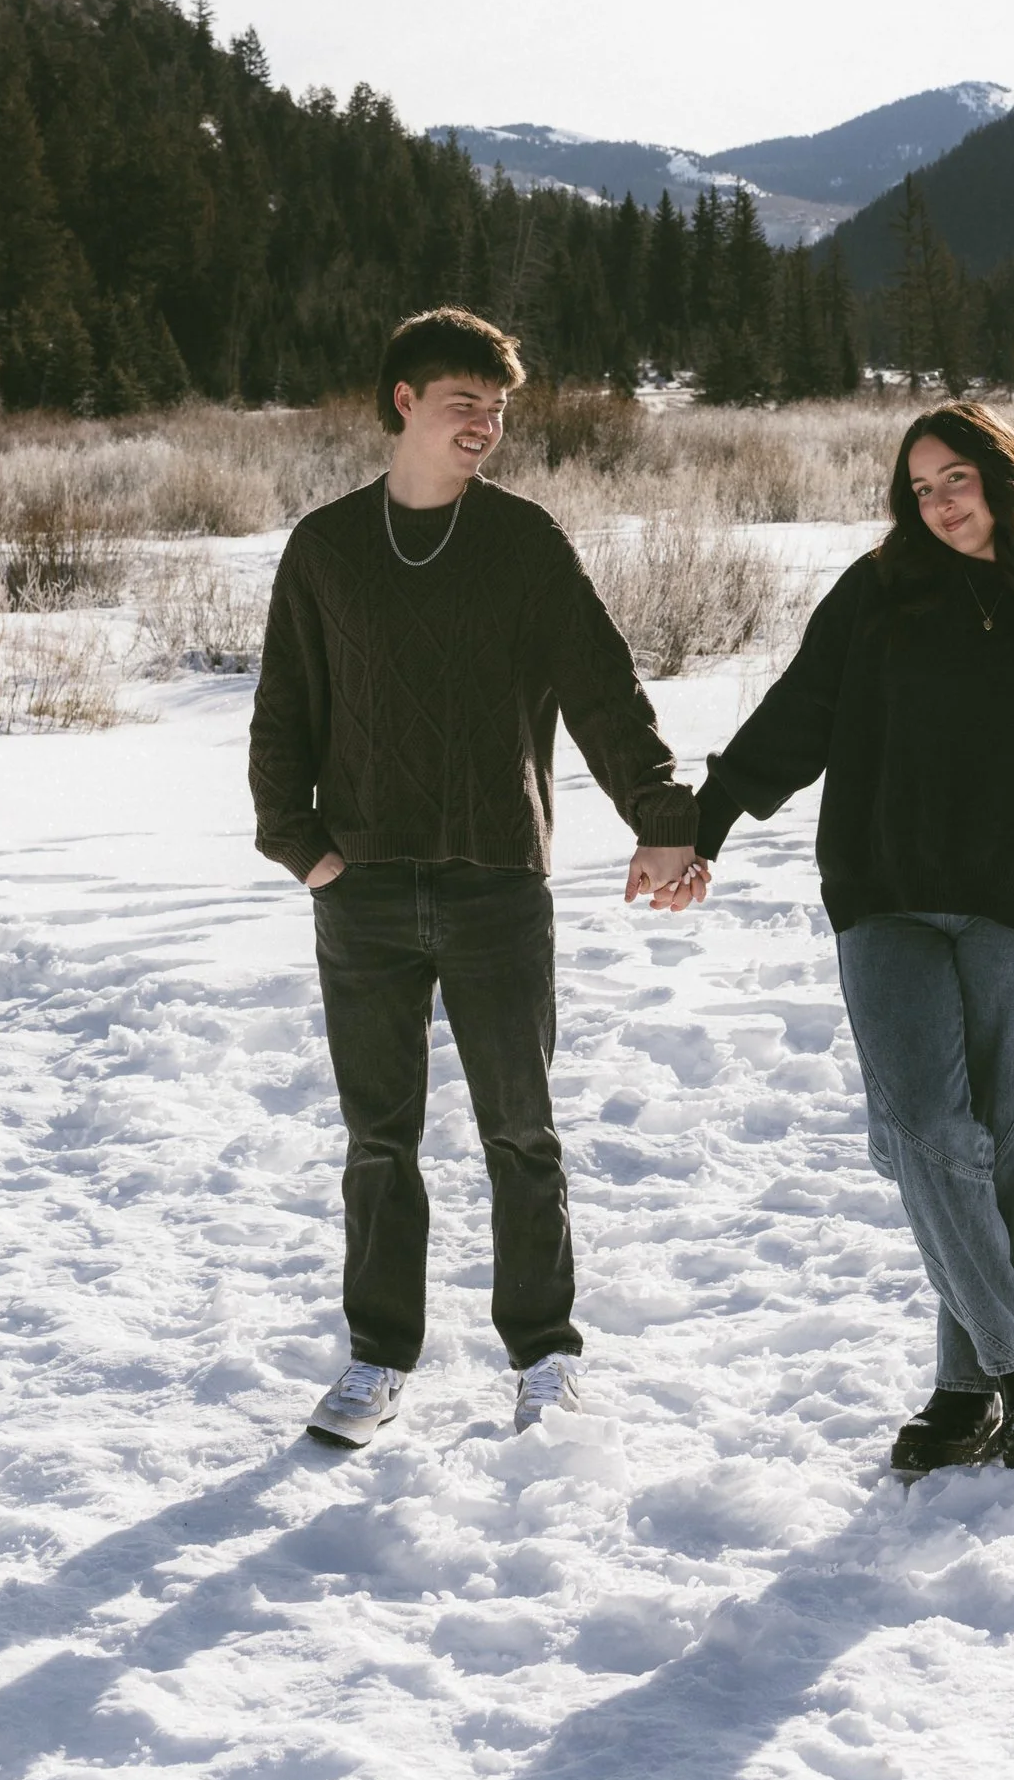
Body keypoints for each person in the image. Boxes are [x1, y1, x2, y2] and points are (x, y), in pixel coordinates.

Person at [249, 307, 708, 1446]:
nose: (486, 427)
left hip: (499, 880)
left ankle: (544, 1356)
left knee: (522, 1132)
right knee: (378, 1140)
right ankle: (375, 1359)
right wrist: (297, 845)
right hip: (361, 890)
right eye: (465, 404)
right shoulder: (325, 548)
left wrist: (661, 818)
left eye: (498, 409)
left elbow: (601, 689)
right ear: (403, 401)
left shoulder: (522, 544)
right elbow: (283, 713)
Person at [693, 401, 1014, 1477]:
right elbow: (800, 711)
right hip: (888, 897)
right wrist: (705, 819)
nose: (938, 504)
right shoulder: (878, 593)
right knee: (918, 1128)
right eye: (919, 489)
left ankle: (966, 1399)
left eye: (955, 479)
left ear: (1006, 477)